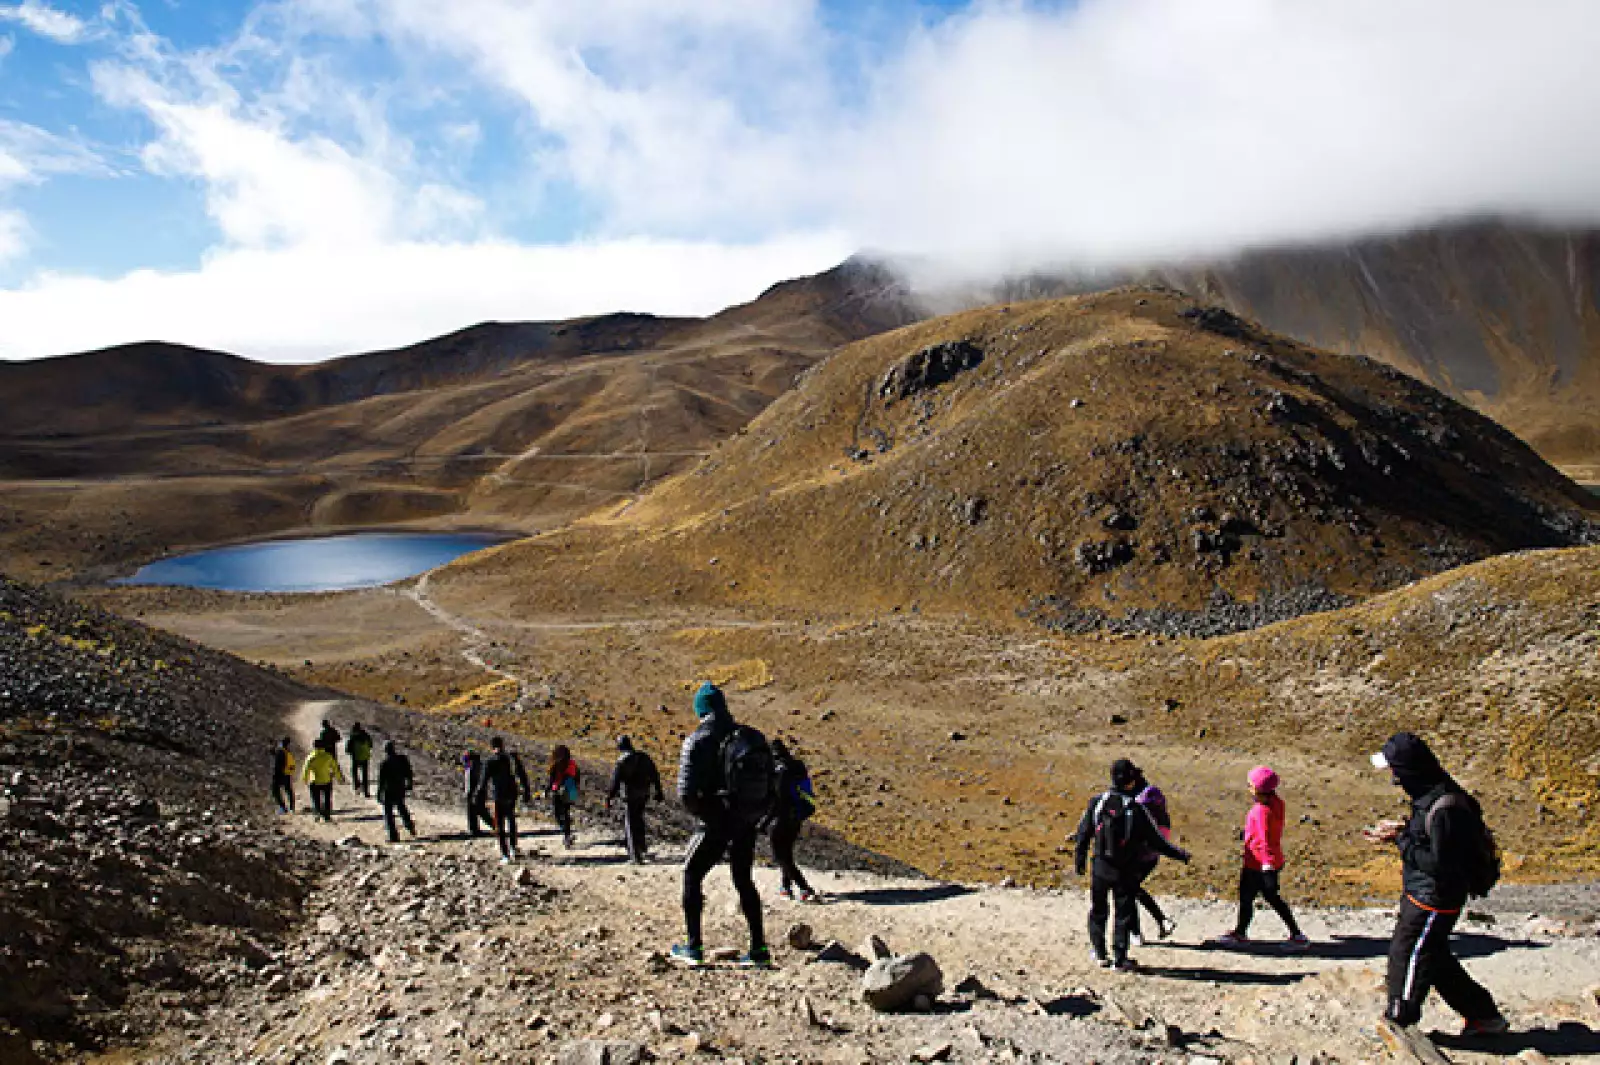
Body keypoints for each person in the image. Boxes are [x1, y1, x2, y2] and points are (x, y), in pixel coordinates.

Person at [1368, 732, 1506, 1037]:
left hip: (1433, 898)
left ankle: (1399, 1021)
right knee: (1434, 957)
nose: (1392, 777)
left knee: (1408, 955)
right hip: (1424, 893)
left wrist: (1401, 841)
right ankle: (1484, 1015)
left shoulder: (1445, 808)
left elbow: (1441, 864)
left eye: (1394, 769)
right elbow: (1434, 843)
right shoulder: (1432, 794)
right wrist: (1404, 830)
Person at [671, 681, 772, 968]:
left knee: (692, 874)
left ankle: (693, 946)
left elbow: (686, 794)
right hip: (745, 819)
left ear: (700, 709)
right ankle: (759, 949)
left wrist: (709, 817)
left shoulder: (697, 739)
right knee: (743, 880)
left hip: (716, 822)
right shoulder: (746, 736)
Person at [1074, 758, 1190, 970]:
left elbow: (1083, 833)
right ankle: (1120, 958)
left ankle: (1099, 953)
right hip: (1125, 869)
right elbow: (1157, 842)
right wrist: (1180, 855)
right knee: (1123, 913)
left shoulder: (1098, 802)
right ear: (1130, 782)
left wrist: (1079, 860)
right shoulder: (1136, 809)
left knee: (1099, 910)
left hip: (1100, 866)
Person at [1209, 766, 1310, 951]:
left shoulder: (1260, 811)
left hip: (1258, 863)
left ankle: (1296, 935)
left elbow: (1264, 839)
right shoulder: (1277, 803)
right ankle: (1243, 931)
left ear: (1258, 789)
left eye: (1250, 785)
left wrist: (1266, 863)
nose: (1248, 788)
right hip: (1269, 861)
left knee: (1259, 897)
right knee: (1259, 897)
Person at [767, 738, 819, 902]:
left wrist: (763, 820)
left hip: (779, 818)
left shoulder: (776, 770)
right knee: (786, 852)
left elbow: (776, 798)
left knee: (780, 856)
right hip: (796, 817)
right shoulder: (797, 767)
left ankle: (804, 888)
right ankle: (785, 886)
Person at [1130, 778, 1177, 943]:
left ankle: (1136, 932)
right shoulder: (1163, 819)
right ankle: (1161, 921)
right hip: (1150, 860)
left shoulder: (1146, 821)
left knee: (1129, 891)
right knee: (1132, 890)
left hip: (1139, 859)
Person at [607, 736, 664, 864]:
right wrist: (659, 791)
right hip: (644, 793)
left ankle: (635, 856)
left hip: (629, 795)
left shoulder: (621, 761)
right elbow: (655, 774)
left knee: (630, 824)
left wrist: (609, 797)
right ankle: (642, 848)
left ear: (620, 746)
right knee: (639, 819)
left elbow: (615, 782)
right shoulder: (644, 757)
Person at [475, 736, 532, 863]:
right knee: (511, 819)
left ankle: (505, 855)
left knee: (499, 824)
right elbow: (521, 774)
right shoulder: (511, 758)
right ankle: (513, 848)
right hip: (512, 793)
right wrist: (526, 790)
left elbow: (483, 782)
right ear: (503, 744)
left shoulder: (489, 761)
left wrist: (479, 796)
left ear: (491, 747)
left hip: (498, 795)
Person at [375, 740, 417, 843]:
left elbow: (381, 780)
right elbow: (409, 773)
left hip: (388, 790)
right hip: (400, 788)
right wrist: (409, 784)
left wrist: (379, 793)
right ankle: (410, 827)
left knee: (388, 814)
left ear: (385, 751)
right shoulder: (402, 759)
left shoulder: (384, 763)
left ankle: (393, 836)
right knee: (402, 808)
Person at [301, 740, 346, 822]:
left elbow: (306, 769)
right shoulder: (328, 756)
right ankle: (327, 815)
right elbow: (335, 768)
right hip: (326, 780)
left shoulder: (311, 757)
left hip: (314, 781)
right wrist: (339, 778)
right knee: (327, 798)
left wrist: (305, 779)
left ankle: (318, 813)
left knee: (316, 798)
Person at [548, 745, 581, 849]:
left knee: (557, 813)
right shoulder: (572, 764)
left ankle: (565, 832)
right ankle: (567, 835)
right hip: (570, 790)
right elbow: (577, 777)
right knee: (566, 812)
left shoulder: (555, 764)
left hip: (558, 790)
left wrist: (548, 789)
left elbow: (552, 779)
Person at [462, 750, 491, 836]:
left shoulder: (474, 766)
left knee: (480, 811)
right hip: (475, 791)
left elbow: (473, 780)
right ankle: (474, 829)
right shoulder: (473, 766)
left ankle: (495, 826)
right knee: (474, 812)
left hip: (475, 792)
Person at [347, 722, 374, 798]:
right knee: (365, 775)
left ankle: (357, 787)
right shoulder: (366, 735)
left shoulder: (353, 737)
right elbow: (371, 745)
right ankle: (366, 792)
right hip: (365, 757)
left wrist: (352, 753)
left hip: (356, 757)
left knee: (354, 772)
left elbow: (348, 749)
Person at [271, 737, 296, 814]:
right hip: (287, 774)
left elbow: (278, 764)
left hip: (280, 774)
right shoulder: (287, 752)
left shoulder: (281, 752)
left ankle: (283, 808)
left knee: (275, 791)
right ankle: (292, 807)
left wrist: (275, 775)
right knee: (288, 790)